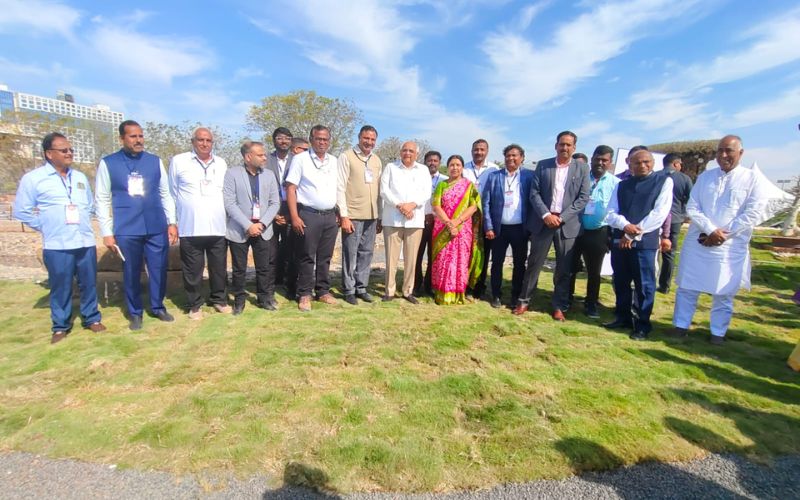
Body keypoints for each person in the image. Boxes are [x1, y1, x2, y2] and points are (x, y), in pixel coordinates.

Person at [671, 135, 770, 345]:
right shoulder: (706, 177)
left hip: (729, 245)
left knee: (723, 292)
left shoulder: (752, 179)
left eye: (729, 151)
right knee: (687, 286)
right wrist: (710, 229)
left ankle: (718, 333)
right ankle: (680, 326)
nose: (723, 155)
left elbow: (753, 213)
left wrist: (723, 234)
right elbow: (693, 206)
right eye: (720, 151)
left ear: (740, 153)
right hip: (700, 239)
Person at [13, 132, 106, 344]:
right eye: (64, 150)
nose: (69, 153)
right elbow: (22, 211)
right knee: (61, 285)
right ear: (49, 154)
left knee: (89, 283)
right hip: (58, 244)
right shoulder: (34, 179)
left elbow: (89, 206)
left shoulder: (80, 177)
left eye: (71, 150)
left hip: (84, 241)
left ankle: (91, 318)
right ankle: (60, 326)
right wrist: (46, 226)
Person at [95, 120, 177, 331]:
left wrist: (172, 222)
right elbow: (102, 199)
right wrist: (106, 232)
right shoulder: (109, 163)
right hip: (127, 227)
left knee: (158, 268)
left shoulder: (155, 161)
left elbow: (165, 193)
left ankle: (158, 307)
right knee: (131, 270)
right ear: (122, 138)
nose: (138, 140)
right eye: (133, 136)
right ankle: (135, 312)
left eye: (140, 136)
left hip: (155, 225)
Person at [514, 131, 590, 321]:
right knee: (534, 264)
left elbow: (583, 198)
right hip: (543, 222)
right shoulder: (543, 165)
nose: (564, 148)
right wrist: (546, 214)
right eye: (561, 144)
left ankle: (559, 306)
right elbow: (534, 193)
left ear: (574, 147)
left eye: (568, 145)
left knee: (564, 268)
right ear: (556, 145)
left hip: (567, 224)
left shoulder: (582, 169)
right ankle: (524, 300)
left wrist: (562, 217)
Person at [603, 149, 673, 340]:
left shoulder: (663, 182)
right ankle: (623, 316)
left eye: (646, 162)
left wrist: (634, 233)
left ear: (652, 163)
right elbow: (610, 213)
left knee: (645, 285)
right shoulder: (622, 185)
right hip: (621, 241)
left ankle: (642, 325)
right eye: (637, 162)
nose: (642, 165)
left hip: (644, 243)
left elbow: (659, 213)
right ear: (629, 164)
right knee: (621, 281)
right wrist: (625, 226)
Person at [168, 127, 230, 320]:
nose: (204, 144)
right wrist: (172, 222)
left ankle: (219, 299)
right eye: (200, 140)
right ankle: (195, 305)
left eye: (208, 141)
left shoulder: (221, 163)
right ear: (193, 141)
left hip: (218, 226)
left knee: (218, 268)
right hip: (190, 226)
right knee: (193, 269)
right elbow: (171, 194)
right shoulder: (179, 161)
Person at [285, 125, 339, 312]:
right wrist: (294, 216)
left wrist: (340, 213)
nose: (322, 142)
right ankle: (305, 293)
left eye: (325, 139)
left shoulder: (334, 161)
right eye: (318, 139)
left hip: (330, 216)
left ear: (329, 141)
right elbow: (290, 188)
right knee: (307, 256)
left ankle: (323, 291)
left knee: (325, 256)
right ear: (311, 140)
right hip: (308, 214)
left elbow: (338, 188)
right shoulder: (300, 160)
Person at [223, 141, 280, 314]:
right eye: (261, 155)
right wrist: (248, 225)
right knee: (239, 269)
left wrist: (262, 224)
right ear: (248, 157)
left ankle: (264, 298)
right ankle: (239, 300)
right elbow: (230, 203)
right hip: (240, 229)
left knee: (264, 267)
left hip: (263, 229)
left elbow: (275, 202)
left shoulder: (269, 175)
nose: (265, 157)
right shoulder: (232, 174)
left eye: (264, 154)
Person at [568, 145, 620, 318]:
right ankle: (567, 298)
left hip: (599, 231)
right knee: (570, 267)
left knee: (594, 271)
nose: (600, 163)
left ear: (610, 163)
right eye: (597, 159)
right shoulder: (581, 178)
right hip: (576, 228)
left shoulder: (616, 183)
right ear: (591, 159)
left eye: (604, 160)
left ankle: (591, 303)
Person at [380, 141, 432, 304]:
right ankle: (389, 290)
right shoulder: (390, 167)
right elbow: (384, 190)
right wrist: (400, 205)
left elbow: (426, 192)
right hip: (392, 219)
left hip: (414, 220)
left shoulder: (423, 170)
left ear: (416, 154)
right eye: (404, 150)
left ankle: (408, 290)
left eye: (411, 151)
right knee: (391, 257)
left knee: (412, 258)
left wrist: (411, 205)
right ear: (400, 152)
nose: (407, 153)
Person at [482, 144, 533, 308]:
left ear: (522, 158)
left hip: (520, 229)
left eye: (514, 155)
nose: (511, 158)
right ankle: (496, 294)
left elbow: (534, 203)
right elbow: (486, 202)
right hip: (499, 229)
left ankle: (515, 295)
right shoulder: (494, 176)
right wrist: (488, 226)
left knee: (519, 264)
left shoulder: (529, 177)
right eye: (508, 156)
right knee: (497, 262)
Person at [337, 125, 383, 304]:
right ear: (359, 137)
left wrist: (379, 216)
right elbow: (340, 186)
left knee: (366, 252)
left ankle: (361, 287)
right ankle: (348, 289)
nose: (369, 142)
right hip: (352, 214)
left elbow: (379, 190)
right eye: (366, 138)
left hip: (371, 215)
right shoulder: (346, 156)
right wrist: (344, 215)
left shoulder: (376, 160)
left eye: (372, 139)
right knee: (350, 252)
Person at [430, 155, 483, 304]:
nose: (455, 167)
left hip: (463, 229)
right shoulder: (441, 185)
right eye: (452, 165)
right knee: (443, 259)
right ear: (447, 167)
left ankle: (458, 293)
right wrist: (449, 223)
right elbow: (436, 205)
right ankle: (441, 293)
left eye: (458, 165)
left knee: (460, 260)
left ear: (462, 168)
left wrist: (457, 221)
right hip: (443, 227)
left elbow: (474, 206)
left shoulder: (469, 186)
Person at [462, 139, 500, 299]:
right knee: (467, 251)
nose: (479, 152)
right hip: (467, 216)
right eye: (476, 149)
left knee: (484, 252)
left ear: (487, 151)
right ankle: (465, 284)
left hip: (486, 217)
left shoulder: (494, 169)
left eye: (482, 149)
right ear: (471, 151)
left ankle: (480, 285)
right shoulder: (464, 169)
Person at [657, 153, 693, 294]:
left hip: (656, 218)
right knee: (669, 253)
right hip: (675, 219)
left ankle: (650, 280)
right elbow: (691, 199)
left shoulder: (655, 176)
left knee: (651, 250)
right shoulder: (684, 179)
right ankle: (664, 285)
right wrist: (683, 212)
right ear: (676, 164)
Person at [413, 150, 447, 296]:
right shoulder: (417, 177)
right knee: (417, 254)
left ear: (439, 163)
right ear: (424, 161)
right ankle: (415, 284)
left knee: (434, 256)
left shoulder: (445, 181)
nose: (432, 163)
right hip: (419, 221)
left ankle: (430, 285)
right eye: (429, 160)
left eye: (435, 160)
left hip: (437, 224)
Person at [264, 127, 293, 289]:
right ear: (274, 140)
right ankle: (272, 282)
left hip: (290, 208)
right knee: (271, 248)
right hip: (269, 209)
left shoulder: (297, 160)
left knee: (290, 247)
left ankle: (288, 282)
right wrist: (273, 215)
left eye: (287, 138)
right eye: (280, 138)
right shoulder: (265, 159)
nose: (284, 141)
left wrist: (289, 214)